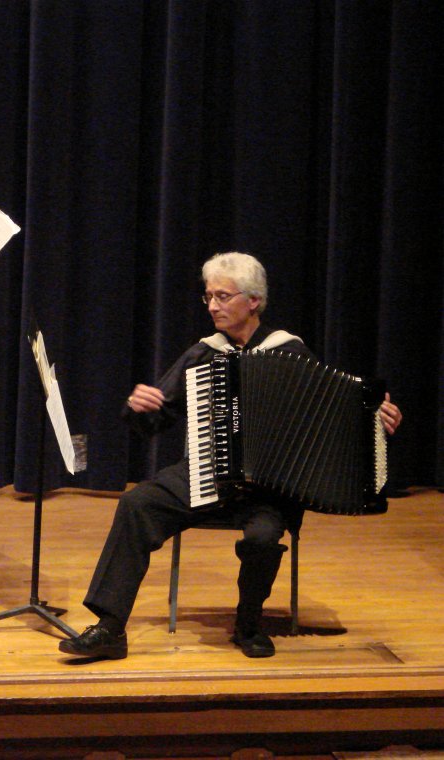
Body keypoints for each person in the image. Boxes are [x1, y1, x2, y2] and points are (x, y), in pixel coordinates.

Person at [59, 252, 403, 660]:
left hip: (271, 489)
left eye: (223, 296)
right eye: (208, 297)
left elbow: (335, 416)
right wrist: (140, 407)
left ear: (253, 300)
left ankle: (249, 622)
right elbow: (155, 422)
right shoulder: (204, 353)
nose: (213, 306)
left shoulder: (290, 352)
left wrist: (376, 422)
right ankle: (110, 627)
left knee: (261, 536)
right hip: (207, 473)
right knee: (138, 503)